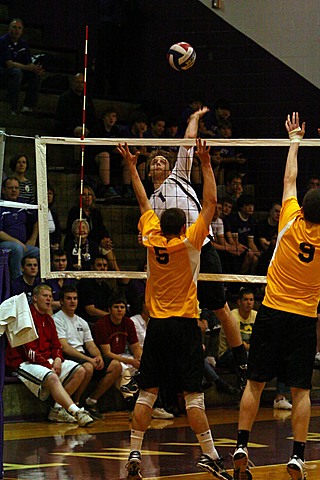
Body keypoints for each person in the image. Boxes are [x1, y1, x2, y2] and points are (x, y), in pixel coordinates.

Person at [117, 137, 233, 480]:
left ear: (158, 225)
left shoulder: (151, 237)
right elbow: (210, 201)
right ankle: (210, 454)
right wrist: (207, 163)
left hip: (156, 326)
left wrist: (131, 164)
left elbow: (141, 200)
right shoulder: (190, 241)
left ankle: (135, 449)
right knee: (193, 396)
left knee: (147, 392)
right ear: (183, 227)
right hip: (183, 324)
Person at [129, 106, 248, 387]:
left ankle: (242, 362)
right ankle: (164, 372)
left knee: (219, 306)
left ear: (170, 168)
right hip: (177, 259)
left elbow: (186, 144)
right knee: (175, 314)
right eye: (153, 162)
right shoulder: (152, 201)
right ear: (148, 172)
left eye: (162, 161)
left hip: (201, 249)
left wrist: (193, 119)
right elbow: (149, 226)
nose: (157, 164)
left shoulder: (179, 177)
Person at [232, 113, 320, 480]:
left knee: (255, 383)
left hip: (271, 311)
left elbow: (289, 179)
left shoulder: (288, 219)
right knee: (301, 390)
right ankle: (298, 456)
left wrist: (295, 139)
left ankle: (240, 444)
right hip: (302, 317)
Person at [5, 284, 94, 427]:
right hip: (24, 362)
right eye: (45, 296)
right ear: (34, 298)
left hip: (47, 360)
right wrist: (49, 365)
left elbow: (56, 345)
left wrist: (58, 359)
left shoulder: (48, 319)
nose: (48, 299)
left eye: (50, 297)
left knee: (81, 370)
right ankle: (77, 411)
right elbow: (29, 352)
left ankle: (57, 409)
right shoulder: (26, 318)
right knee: (52, 377)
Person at [53, 285, 122, 419]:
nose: (72, 301)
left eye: (75, 298)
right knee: (88, 367)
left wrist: (98, 356)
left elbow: (90, 344)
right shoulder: (57, 319)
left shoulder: (81, 321)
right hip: (66, 355)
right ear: (61, 301)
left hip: (82, 354)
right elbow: (65, 347)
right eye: (68, 299)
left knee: (116, 365)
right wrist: (89, 359)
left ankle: (91, 401)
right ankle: (75, 403)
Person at [218, 287, 292, 410]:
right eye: (246, 299)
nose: (249, 302)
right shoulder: (232, 316)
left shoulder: (257, 316)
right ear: (239, 302)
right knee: (244, 358)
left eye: (251, 300)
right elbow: (235, 345)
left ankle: (280, 398)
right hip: (227, 354)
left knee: (281, 357)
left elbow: (266, 340)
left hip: (251, 352)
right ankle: (242, 398)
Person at [93, 295, 142, 408]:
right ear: (109, 310)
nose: (119, 310)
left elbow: (136, 346)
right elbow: (107, 353)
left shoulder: (128, 323)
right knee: (123, 369)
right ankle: (129, 399)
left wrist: (139, 359)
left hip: (123, 355)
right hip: (106, 358)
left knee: (144, 366)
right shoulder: (102, 324)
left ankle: (154, 405)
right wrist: (130, 361)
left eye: (122, 307)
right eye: (116, 307)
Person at [0, 18, 44, 115]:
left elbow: (28, 62)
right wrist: (29, 68)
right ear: (9, 29)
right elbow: (9, 64)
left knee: (36, 75)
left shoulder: (23, 43)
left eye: (19, 28)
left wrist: (35, 69)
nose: (17, 30)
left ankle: (28, 106)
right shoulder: (3, 41)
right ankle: (12, 107)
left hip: (17, 70)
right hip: (3, 71)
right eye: (14, 27)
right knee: (17, 72)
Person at [0, 176, 39, 279]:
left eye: (16, 188)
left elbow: (37, 221)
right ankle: (18, 283)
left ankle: (37, 285)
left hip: (24, 245)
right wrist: (17, 242)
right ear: (3, 190)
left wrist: (32, 239)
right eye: (10, 188)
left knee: (38, 252)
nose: (14, 190)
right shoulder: (1, 205)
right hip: (5, 244)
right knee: (17, 249)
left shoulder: (23, 204)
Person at [65, 185, 112, 250]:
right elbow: (76, 233)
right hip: (81, 243)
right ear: (79, 198)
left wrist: (106, 238)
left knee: (108, 250)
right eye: (84, 195)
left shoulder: (96, 212)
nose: (87, 197)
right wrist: (99, 241)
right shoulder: (75, 212)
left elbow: (102, 228)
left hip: (97, 242)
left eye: (89, 194)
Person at [54, 72, 96, 137]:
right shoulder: (65, 98)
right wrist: (75, 128)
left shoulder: (87, 99)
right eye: (78, 82)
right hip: (68, 128)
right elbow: (63, 117)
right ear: (73, 83)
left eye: (82, 82)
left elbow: (91, 116)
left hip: (85, 129)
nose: (80, 84)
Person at [46, 249, 76, 314]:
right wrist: (67, 304)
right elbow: (48, 304)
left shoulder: (72, 280)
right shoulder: (47, 280)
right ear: (51, 262)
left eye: (63, 260)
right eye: (57, 261)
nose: (60, 263)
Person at [47, 185, 62, 252]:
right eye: (46, 193)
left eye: (50, 194)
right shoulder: (35, 213)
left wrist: (57, 243)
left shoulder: (54, 214)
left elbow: (58, 232)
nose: (48, 196)